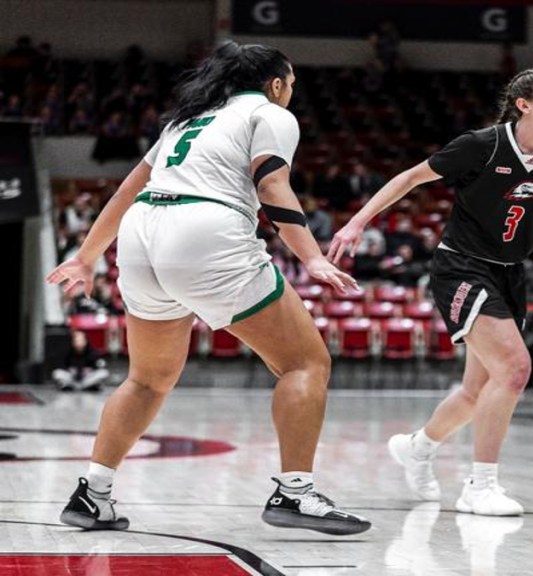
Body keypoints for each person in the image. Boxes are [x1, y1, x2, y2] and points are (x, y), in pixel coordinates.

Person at [45, 41, 370, 536]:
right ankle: (296, 492)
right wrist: (311, 256)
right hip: (205, 229)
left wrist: (87, 257)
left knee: (147, 380)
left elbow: (127, 189)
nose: (291, 92)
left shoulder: (187, 120)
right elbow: (272, 187)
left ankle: (94, 493)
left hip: (141, 232)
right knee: (305, 363)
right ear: (276, 83)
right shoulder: (269, 114)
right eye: (292, 84)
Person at [328, 68, 533, 516]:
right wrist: (358, 221)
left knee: (478, 392)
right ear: (523, 103)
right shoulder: (482, 145)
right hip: (462, 267)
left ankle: (418, 448)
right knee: (514, 369)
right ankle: (480, 485)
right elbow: (410, 178)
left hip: (510, 274)